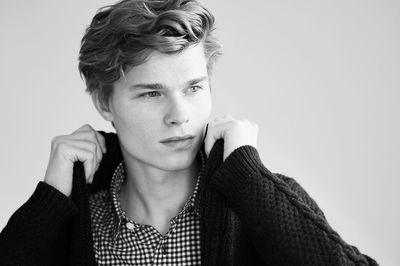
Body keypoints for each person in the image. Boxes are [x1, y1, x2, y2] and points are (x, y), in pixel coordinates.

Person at [0, 0, 378, 265]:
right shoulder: (73, 223)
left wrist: (250, 180)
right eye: (151, 93)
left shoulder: (263, 200)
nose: (179, 116)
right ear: (104, 103)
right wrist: (48, 202)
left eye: (193, 88)